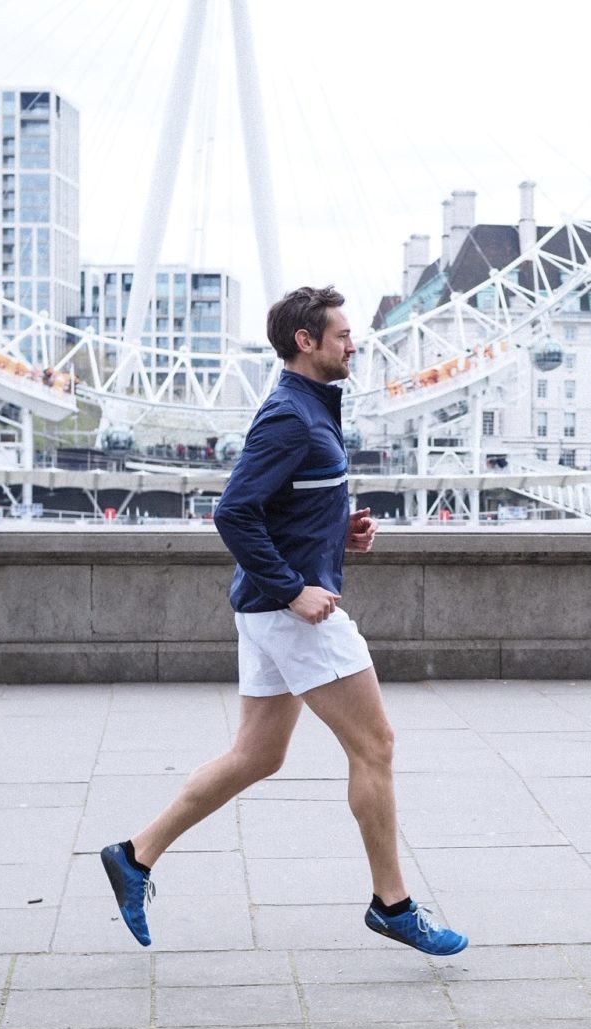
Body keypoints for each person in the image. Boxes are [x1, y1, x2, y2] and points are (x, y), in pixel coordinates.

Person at [101, 285, 467, 957]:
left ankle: (135, 854)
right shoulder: (290, 418)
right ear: (308, 341)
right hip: (292, 612)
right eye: (343, 334)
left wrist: (338, 531)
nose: (354, 343)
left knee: (257, 755)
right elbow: (234, 512)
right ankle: (394, 905)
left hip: (272, 611)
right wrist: (296, 588)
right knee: (376, 745)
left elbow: (283, 505)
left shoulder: (312, 411)